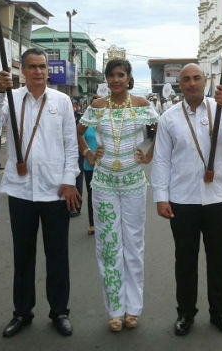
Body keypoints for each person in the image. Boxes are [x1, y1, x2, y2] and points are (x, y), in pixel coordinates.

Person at [151, 64, 222, 338]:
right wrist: (161, 197)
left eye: (197, 78)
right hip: (182, 200)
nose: (192, 83)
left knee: (219, 260)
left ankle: (220, 313)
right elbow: (160, 159)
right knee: (184, 260)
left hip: (218, 198)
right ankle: (185, 312)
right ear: (179, 85)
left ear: (205, 81)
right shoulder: (169, 118)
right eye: (186, 79)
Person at [0, 48, 80, 338]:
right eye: (32, 67)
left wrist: (70, 181)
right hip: (21, 191)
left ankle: (59, 312)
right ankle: (22, 312)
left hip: (56, 191)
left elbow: (71, 144)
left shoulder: (62, 101)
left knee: (58, 256)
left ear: (48, 70)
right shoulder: (11, 98)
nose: (38, 72)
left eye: (42, 66)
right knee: (23, 256)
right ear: (23, 72)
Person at [77, 59, 158, 332]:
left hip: (134, 182)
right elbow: (77, 132)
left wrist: (148, 154)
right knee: (109, 245)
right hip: (104, 184)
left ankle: (133, 308)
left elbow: (161, 131)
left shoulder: (143, 105)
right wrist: (89, 153)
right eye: (111, 75)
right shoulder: (97, 107)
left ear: (129, 77)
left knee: (134, 245)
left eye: (120, 75)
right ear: (106, 79)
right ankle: (114, 309)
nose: (115, 80)